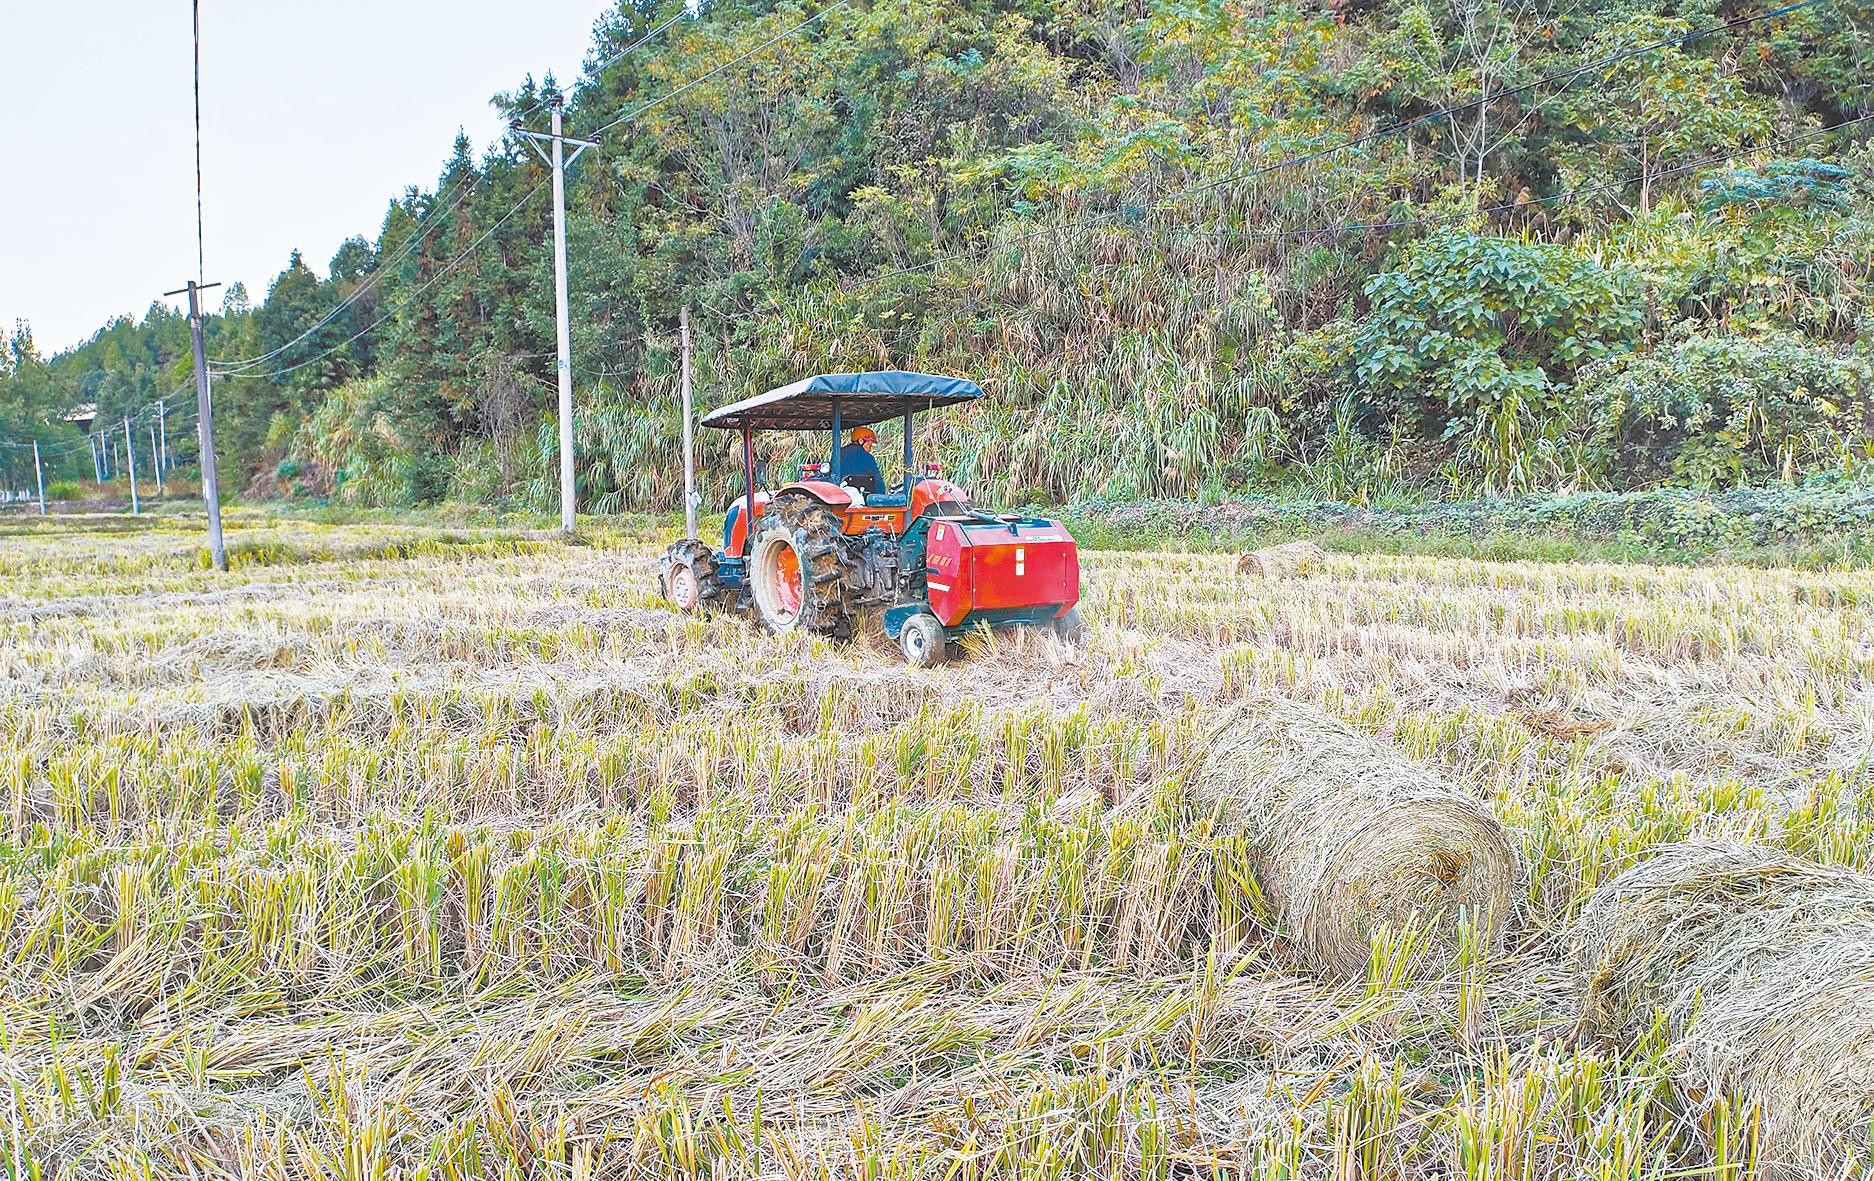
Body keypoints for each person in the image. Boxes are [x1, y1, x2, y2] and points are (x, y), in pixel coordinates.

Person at [837, 426, 883, 492]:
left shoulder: (838, 453)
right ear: (861, 441)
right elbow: (878, 483)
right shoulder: (867, 457)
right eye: (869, 445)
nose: (870, 450)